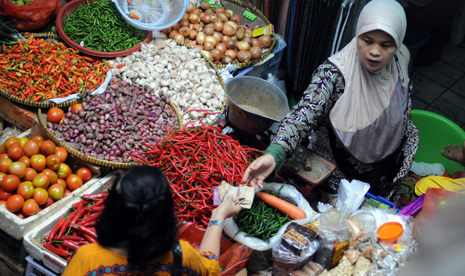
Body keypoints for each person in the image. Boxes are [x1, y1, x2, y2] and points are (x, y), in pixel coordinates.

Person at [242, 0, 419, 204]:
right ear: (357, 34)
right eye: (367, 40)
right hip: (337, 176)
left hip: (385, 168)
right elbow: (302, 115)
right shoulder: (335, 74)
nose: (375, 51)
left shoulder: (401, 57)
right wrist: (275, 153)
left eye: (386, 45)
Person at [62, 166, 241, 276]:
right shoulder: (181, 257)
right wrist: (218, 217)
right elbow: (211, 268)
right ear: (168, 215)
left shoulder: (88, 260)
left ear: (111, 210)